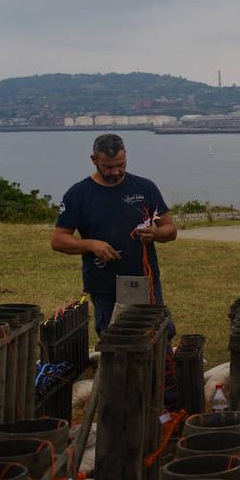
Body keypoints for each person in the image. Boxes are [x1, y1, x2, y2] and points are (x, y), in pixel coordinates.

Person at [51, 134, 177, 334]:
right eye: (108, 167)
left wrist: (155, 233)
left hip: (144, 279)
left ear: (125, 155)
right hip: (104, 284)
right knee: (113, 337)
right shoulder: (79, 194)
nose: (116, 172)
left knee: (157, 332)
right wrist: (91, 245)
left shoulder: (145, 188)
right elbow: (58, 240)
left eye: (121, 164)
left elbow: (170, 229)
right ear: (94, 160)